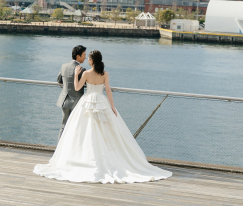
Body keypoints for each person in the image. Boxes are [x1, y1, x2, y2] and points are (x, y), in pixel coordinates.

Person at [35, 50, 172, 184]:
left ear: (92, 61)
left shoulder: (86, 73)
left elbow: (77, 88)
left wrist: (77, 74)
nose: (87, 60)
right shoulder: (105, 74)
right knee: (106, 131)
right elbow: (108, 90)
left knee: (84, 131)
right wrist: (112, 106)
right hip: (102, 101)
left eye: (89, 58)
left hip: (87, 102)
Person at [56, 45, 87, 139]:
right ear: (78, 56)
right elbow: (85, 84)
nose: (85, 57)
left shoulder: (64, 66)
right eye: (84, 55)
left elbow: (59, 80)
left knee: (63, 125)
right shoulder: (82, 70)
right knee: (75, 126)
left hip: (64, 100)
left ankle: (59, 149)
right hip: (77, 102)